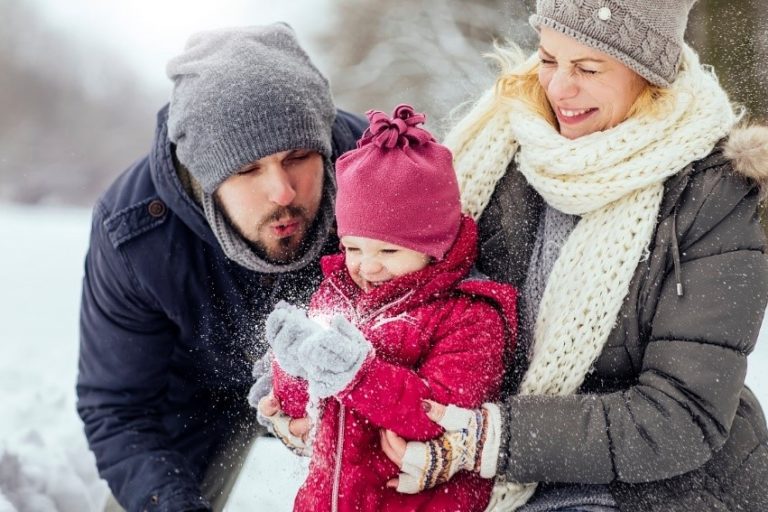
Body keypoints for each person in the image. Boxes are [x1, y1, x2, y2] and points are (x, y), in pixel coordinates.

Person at [377, 1, 768, 511]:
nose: (559, 88)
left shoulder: (712, 195)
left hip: (655, 491)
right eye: (548, 60)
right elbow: (413, 297)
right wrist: (330, 392)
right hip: (480, 471)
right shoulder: (500, 150)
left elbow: (683, 412)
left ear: (648, 76)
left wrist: (491, 438)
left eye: (588, 68)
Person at [75, 23, 366, 512]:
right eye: (248, 169)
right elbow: (120, 408)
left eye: (299, 156)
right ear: (205, 176)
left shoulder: (379, 171)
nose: (283, 192)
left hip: (354, 380)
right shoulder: (134, 235)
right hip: (195, 394)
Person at [255, 105, 518, 511]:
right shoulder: (336, 294)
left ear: (435, 244)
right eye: (353, 248)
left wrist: (357, 375)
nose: (367, 266)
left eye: (389, 251)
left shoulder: (469, 315)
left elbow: (440, 418)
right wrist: (290, 367)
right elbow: (303, 410)